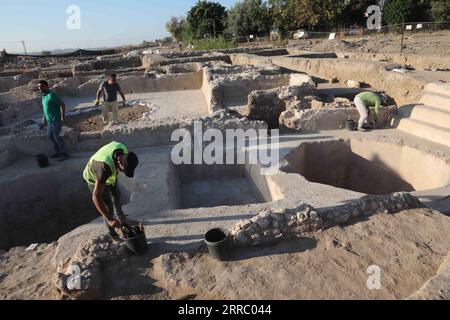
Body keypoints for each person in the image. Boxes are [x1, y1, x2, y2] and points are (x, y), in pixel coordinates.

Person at [83, 141, 139, 240]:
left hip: (109, 176)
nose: (124, 171)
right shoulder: (105, 168)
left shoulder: (123, 149)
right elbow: (96, 197)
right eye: (124, 169)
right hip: (94, 178)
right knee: (107, 206)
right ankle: (113, 235)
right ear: (119, 162)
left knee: (117, 194)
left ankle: (121, 219)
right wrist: (110, 219)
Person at [38, 80, 69, 161]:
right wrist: (44, 118)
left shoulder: (51, 95)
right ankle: (58, 152)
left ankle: (64, 154)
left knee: (58, 138)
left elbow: (62, 104)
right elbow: (45, 109)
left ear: (46, 86)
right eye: (38, 87)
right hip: (49, 122)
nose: (39, 88)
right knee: (50, 137)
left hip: (56, 121)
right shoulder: (44, 96)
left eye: (41, 86)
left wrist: (62, 117)